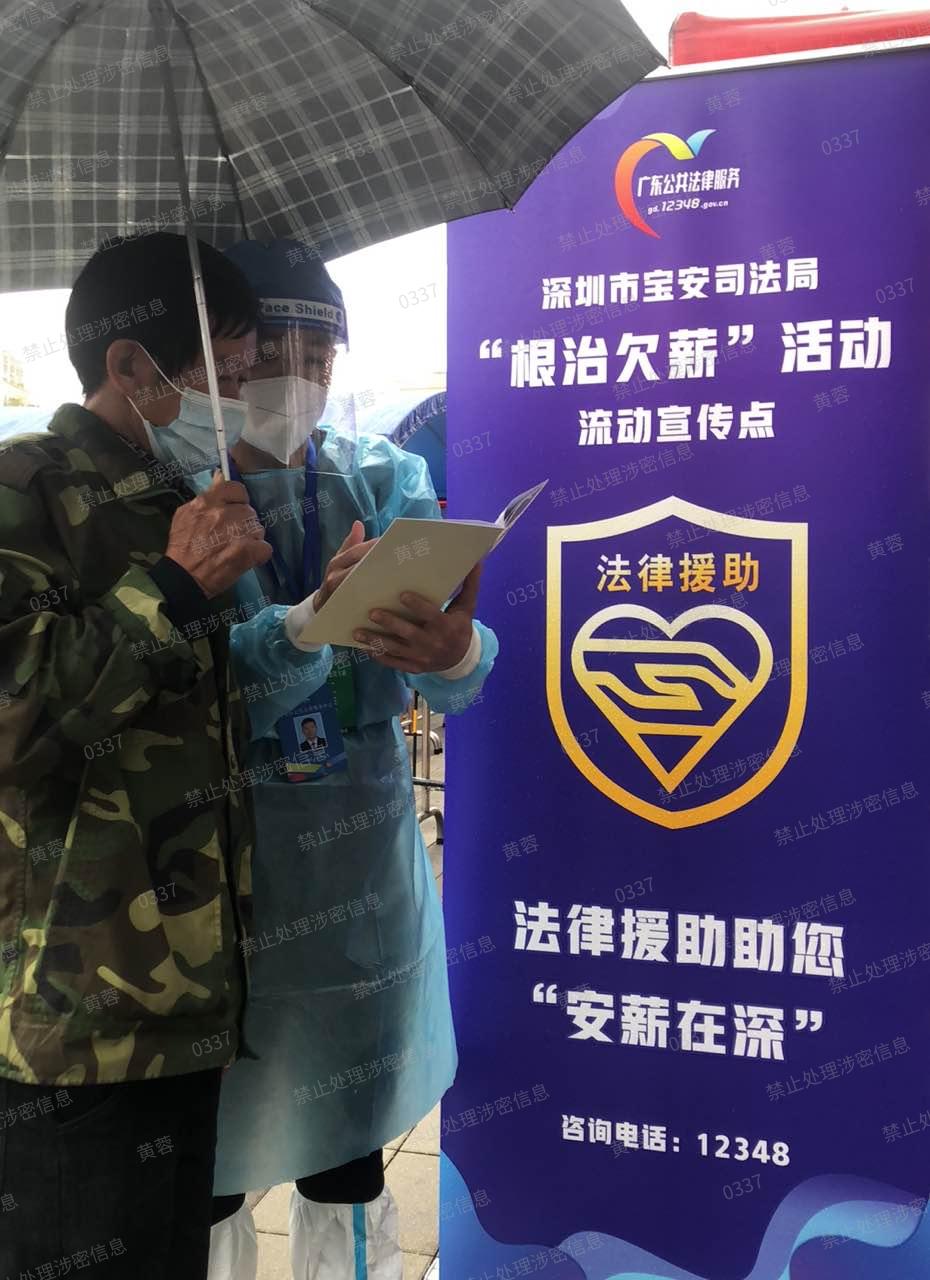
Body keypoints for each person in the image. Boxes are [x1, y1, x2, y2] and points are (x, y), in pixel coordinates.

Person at [0, 233, 333, 1280]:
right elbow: (15, 721)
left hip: (186, 994)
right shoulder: (24, 490)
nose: (238, 400)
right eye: (220, 373)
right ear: (130, 367)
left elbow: (194, 708)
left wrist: (318, 618)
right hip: (77, 1012)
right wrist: (175, 588)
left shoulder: (175, 499)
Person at [203, 238, 498, 1280]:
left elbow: (460, 672)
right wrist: (299, 627)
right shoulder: (181, 502)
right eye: (267, 353)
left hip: (357, 872)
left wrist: (452, 650)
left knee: (346, 1152)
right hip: (223, 876)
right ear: (220, 362)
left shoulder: (382, 478)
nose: (295, 376)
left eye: (317, 355)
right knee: (210, 1164)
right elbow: (191, 688)